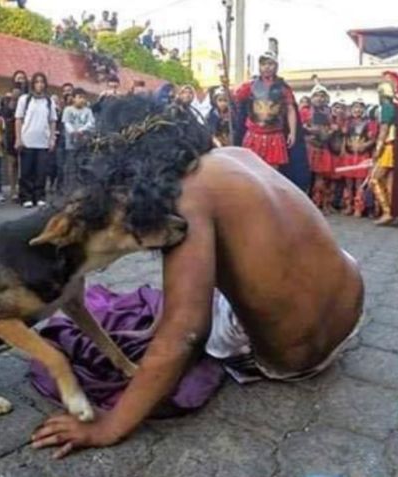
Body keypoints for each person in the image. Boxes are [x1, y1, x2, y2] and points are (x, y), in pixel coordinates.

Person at [30, 95, 364, 458]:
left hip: (297, 358)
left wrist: (110, 425)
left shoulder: (187, 197)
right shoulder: (236, 154)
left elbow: (186, 332)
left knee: (188, 309)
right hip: (351, 305)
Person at [232, 50, 298, 169]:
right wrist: (226, 86)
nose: (267, 67)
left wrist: (292, 133)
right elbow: (234, 98)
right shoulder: (249, 86)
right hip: (254, 134)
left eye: (270, 64)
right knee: (251, 170)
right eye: (263, 64)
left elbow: (290, 109)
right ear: (259, 67)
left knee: (272, 173)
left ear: (276, 66)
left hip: (274, 135)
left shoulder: (283, 87)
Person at [368, 71, 398, 226]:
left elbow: (384, 130)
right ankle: (395, 212)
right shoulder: (396, 108)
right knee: (390, 182)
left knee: (374, 179)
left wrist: (377, 150)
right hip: (395, 148)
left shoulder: (387, 107)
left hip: (388, 148)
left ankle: (387, 212)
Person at [14, 72, 57, 208]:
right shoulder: (24, 99)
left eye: (42, 82)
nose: (39, 84)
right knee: (26, 171)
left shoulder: (49, 101)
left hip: (42, 142)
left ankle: (39, 196)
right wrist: (18, 139)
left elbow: (52, 121)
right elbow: (18, 119)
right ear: (32, 84)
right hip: (27, 140)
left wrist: (52, 139)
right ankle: (25, 197)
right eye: (37, 82)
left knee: (41, 172)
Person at [342, 97, 376, 217]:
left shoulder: (369, 123)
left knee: (360, 183)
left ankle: (359, 206)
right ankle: (348, 205)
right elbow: (344, 138)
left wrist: (365, 145)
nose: (357, 110)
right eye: (355, 107)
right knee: (348, 182)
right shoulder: (348, 122)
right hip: (350, 155)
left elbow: (373, 139)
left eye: (360, 107)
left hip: (362, 156)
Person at [304, 83, 334, 212]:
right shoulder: (304, 111)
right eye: (316, 95)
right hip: (308, 147)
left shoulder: (329, 113)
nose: (319, 98)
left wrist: (330, 132)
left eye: (322, 96)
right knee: (305, 176)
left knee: (320, 177)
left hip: (323, 147)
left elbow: (331, 130)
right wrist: (309, 131)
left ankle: (318, 203)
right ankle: (304, 202)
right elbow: (299, 129)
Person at [61, 88, 94, 192]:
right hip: (71, 145)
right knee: (71, 167)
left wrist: (81, 130)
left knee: (83, 166)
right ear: (74, 98)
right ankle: (69, 190)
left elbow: (91, 123)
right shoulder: (68, 110)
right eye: (79, 97)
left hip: (84, 145)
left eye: (84, 98)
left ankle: (82, 189)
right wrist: (73, 132)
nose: (82, 100)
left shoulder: (88, 111)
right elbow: (66, 123)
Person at [0, 86, 22, 201]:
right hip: (10, 136)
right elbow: (3, 119)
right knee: (11, 163)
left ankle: (19, 189)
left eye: (18, 94)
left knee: (19, 164)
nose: (16, 95)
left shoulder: (24, 105)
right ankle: (13, 189)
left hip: (22, 135)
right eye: (14, 93)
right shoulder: (7, 106)